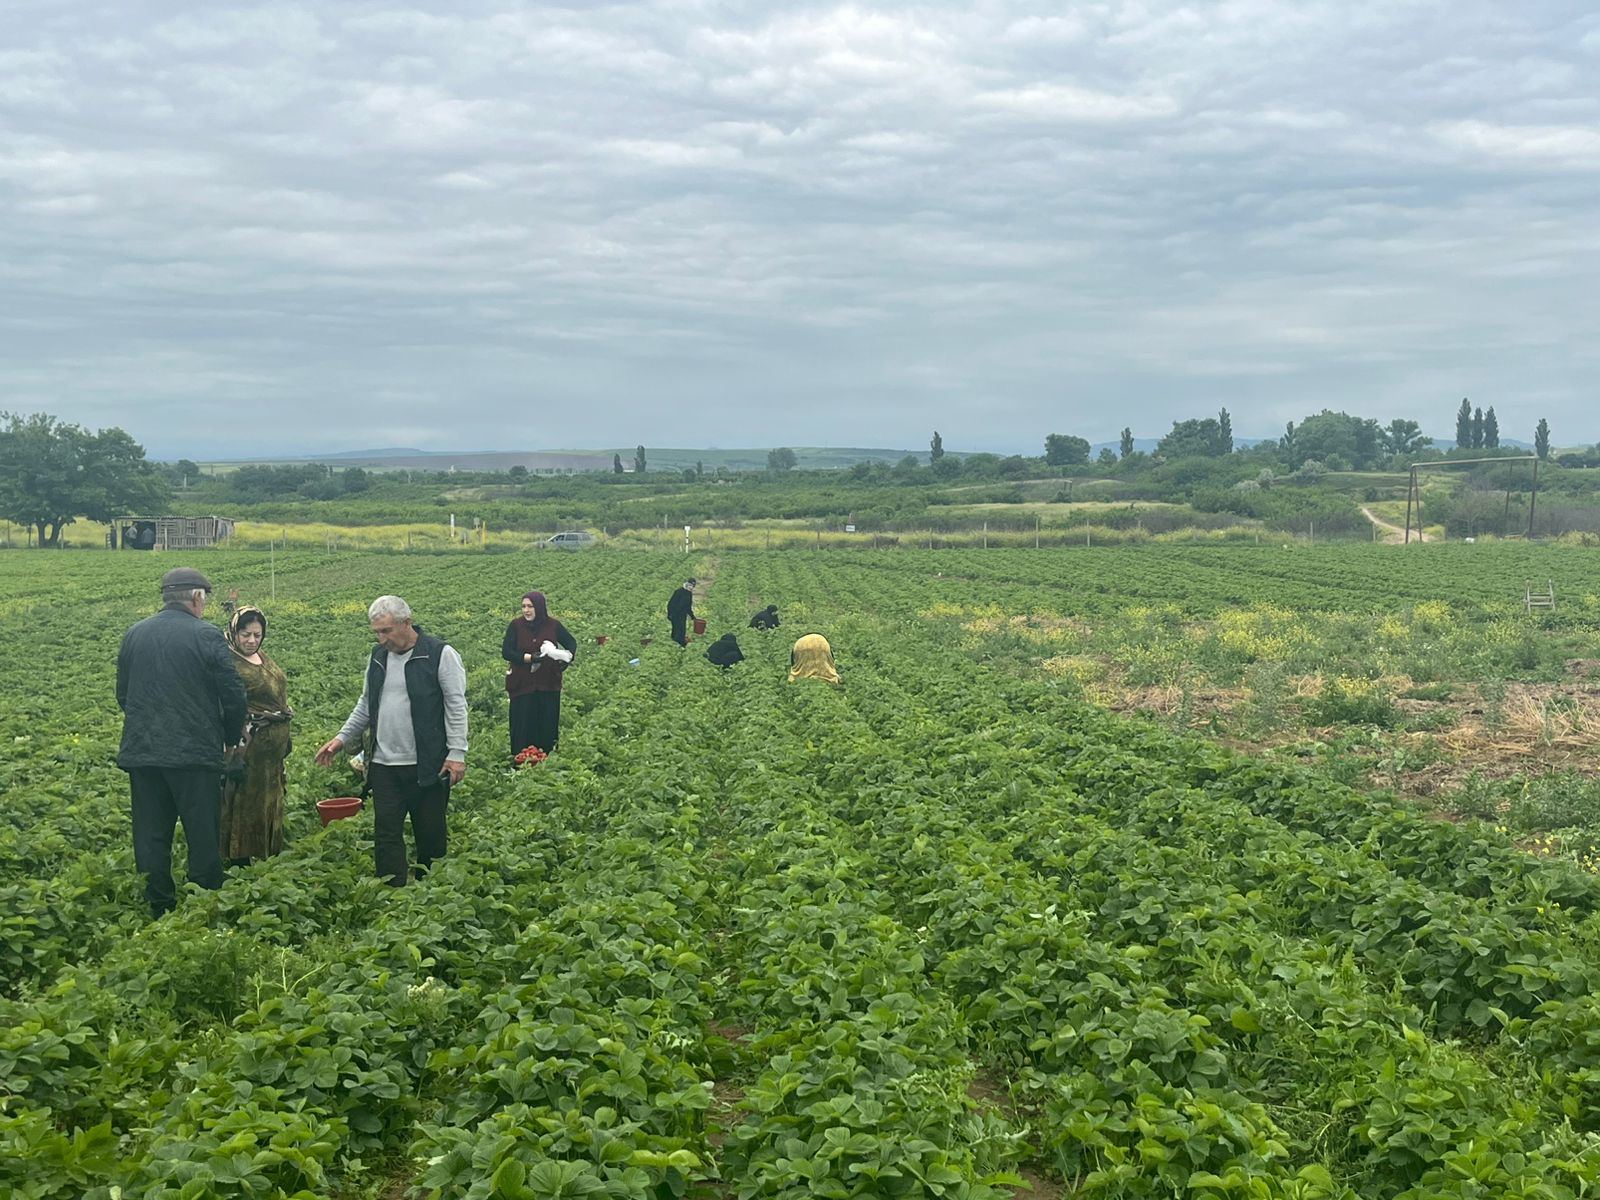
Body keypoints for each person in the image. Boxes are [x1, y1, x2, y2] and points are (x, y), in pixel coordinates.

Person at [115, 567, 248, 916]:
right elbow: (233, 694)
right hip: (194, 755)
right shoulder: (206, 635)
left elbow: (124, 695)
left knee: (150, 835)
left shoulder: (134, 634)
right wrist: (230, 738)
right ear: (198, 598)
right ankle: (205, 905)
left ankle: (159, 907)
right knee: (202, 832)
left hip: (143, 753)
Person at [314, 596, 468, 886]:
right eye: (376, 632)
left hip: (428, 763)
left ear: (406, 623)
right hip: (384, 764)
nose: (381, 638)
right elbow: (365, 703)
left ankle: (431, 891)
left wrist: (456, 753)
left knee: (430, 834)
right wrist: (341, 738)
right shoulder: (378, 656)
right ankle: (391, 892)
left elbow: (456, 706)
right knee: (386, 831)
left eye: (386, 631)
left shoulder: (438, 654)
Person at [219, 605, 293, 865]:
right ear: (234, 633)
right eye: (245, 635)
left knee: (270, 796)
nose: (251, 641)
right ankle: (240, 856)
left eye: (257, 635)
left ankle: (267, 851)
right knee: (246, 800)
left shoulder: (262, 656)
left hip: (272, 750)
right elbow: (226, 707)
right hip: (247, 748)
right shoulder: (228, 662)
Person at [502, 590, 576, 757]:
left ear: (540, 608)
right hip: (522, 684)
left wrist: (566, 660)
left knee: (546, 724)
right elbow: (507, 652)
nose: (526, 610)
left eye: (530, 606)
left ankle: (546, 761)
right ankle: (521, 760)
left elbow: (571, 642)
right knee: (522, 724)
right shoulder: (516, 626)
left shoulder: (553, 625)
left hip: (548, 684)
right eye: (524, 606)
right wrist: (529, 658)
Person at [666, 578, 697, 646]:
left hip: (682, 615)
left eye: (693, 586)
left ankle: (680, 645)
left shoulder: (689, 594)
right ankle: (676, 645)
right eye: (690, 585)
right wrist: (670, 614)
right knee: (676, 629)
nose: (691, 587)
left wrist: (693, 616)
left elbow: (688, 607)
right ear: (687, 584)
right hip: (674, 614)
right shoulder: (679, 592)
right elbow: (671, 604)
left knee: (682, 630)